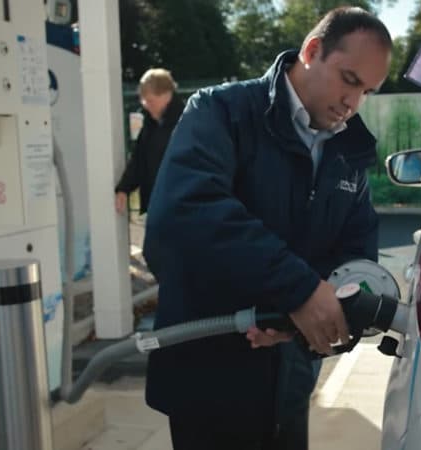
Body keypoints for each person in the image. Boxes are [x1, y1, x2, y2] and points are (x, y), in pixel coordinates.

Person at [143, 7, 392, 450]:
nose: (353, 103)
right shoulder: (223, 112)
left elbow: (355, 256)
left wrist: (309, 321)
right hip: (209, 379)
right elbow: (186, 214)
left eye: (367, 91)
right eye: (349, 80)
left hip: (289, 380)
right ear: (312, 51)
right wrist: (296, 290)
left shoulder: (350, 149)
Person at [114, 68, 184, 216]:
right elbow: (139, 159)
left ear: (166, 95)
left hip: (181, 207)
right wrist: (123, 188)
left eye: (150, 100)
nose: (145, 104)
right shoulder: (150, 125)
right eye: (143, 100)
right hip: (156, 206)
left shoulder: (186, 124)